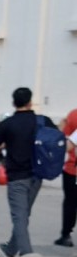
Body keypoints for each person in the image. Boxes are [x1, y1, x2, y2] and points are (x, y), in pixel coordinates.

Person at [0, 87, 57, 257]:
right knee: (23, 215)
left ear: (13, 103)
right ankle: (10, 249)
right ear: (30, 102)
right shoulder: (43, 121)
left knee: (20, 216)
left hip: (17, 178)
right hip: (37, 176)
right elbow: (58, 140)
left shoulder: (8, 124)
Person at [56, 103, 77, 248]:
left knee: (70, 203)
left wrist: (60, 127)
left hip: (72, 170)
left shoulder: (73, 115)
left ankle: (66, 235)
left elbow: (66, 145)